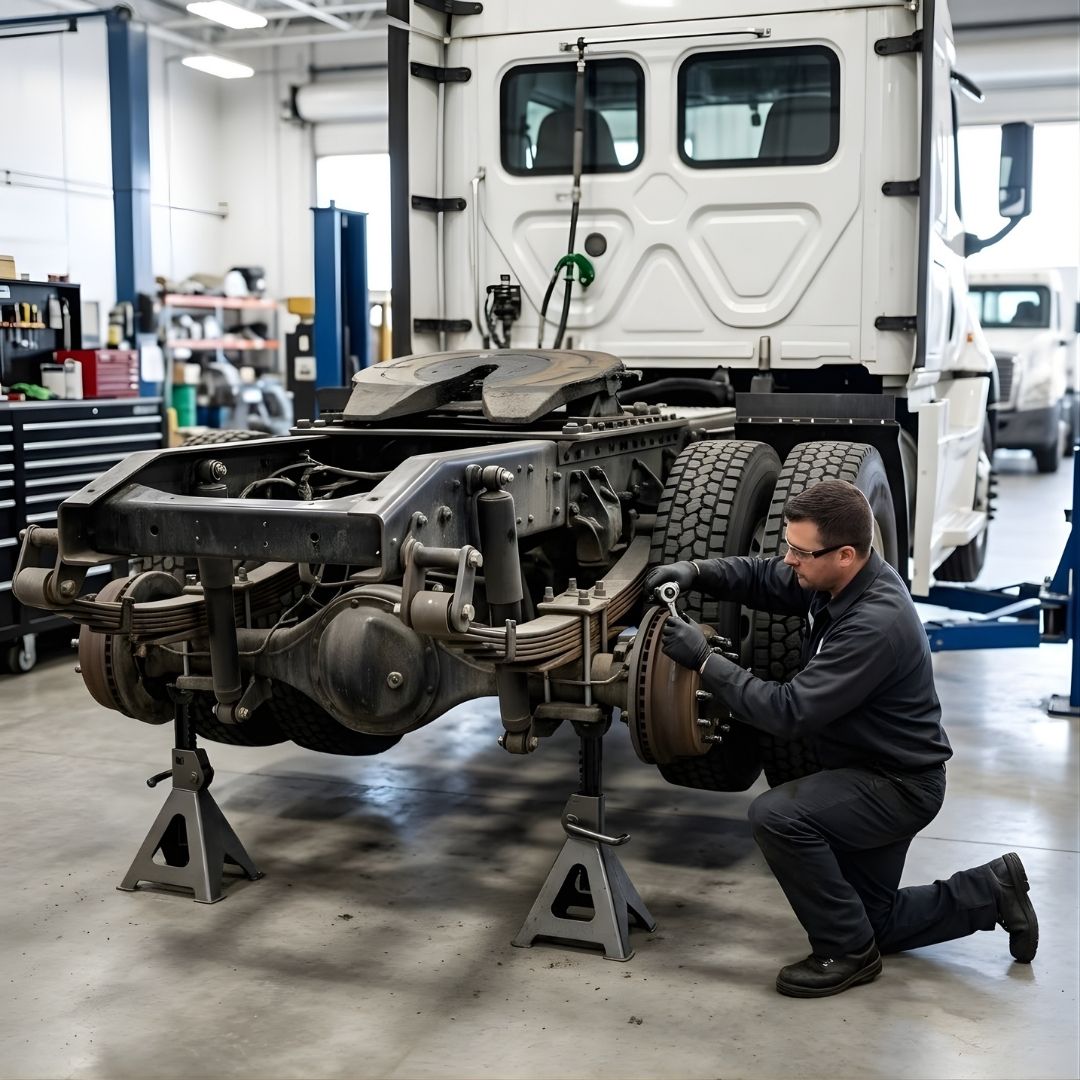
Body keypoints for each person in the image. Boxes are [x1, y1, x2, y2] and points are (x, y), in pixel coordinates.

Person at [645, 478, 1039, 998]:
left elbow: (789, 711)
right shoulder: (833, 580)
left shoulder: (874, 622)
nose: (789, 560)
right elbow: (765, 577)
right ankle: (992, 890)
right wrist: (696, 571)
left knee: (776, 815)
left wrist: (703, 659)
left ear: (846, 554)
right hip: (875, 771)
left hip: (895, 785)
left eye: (800, 552)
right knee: (873, 920)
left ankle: (846, 954)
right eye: (789, 545)